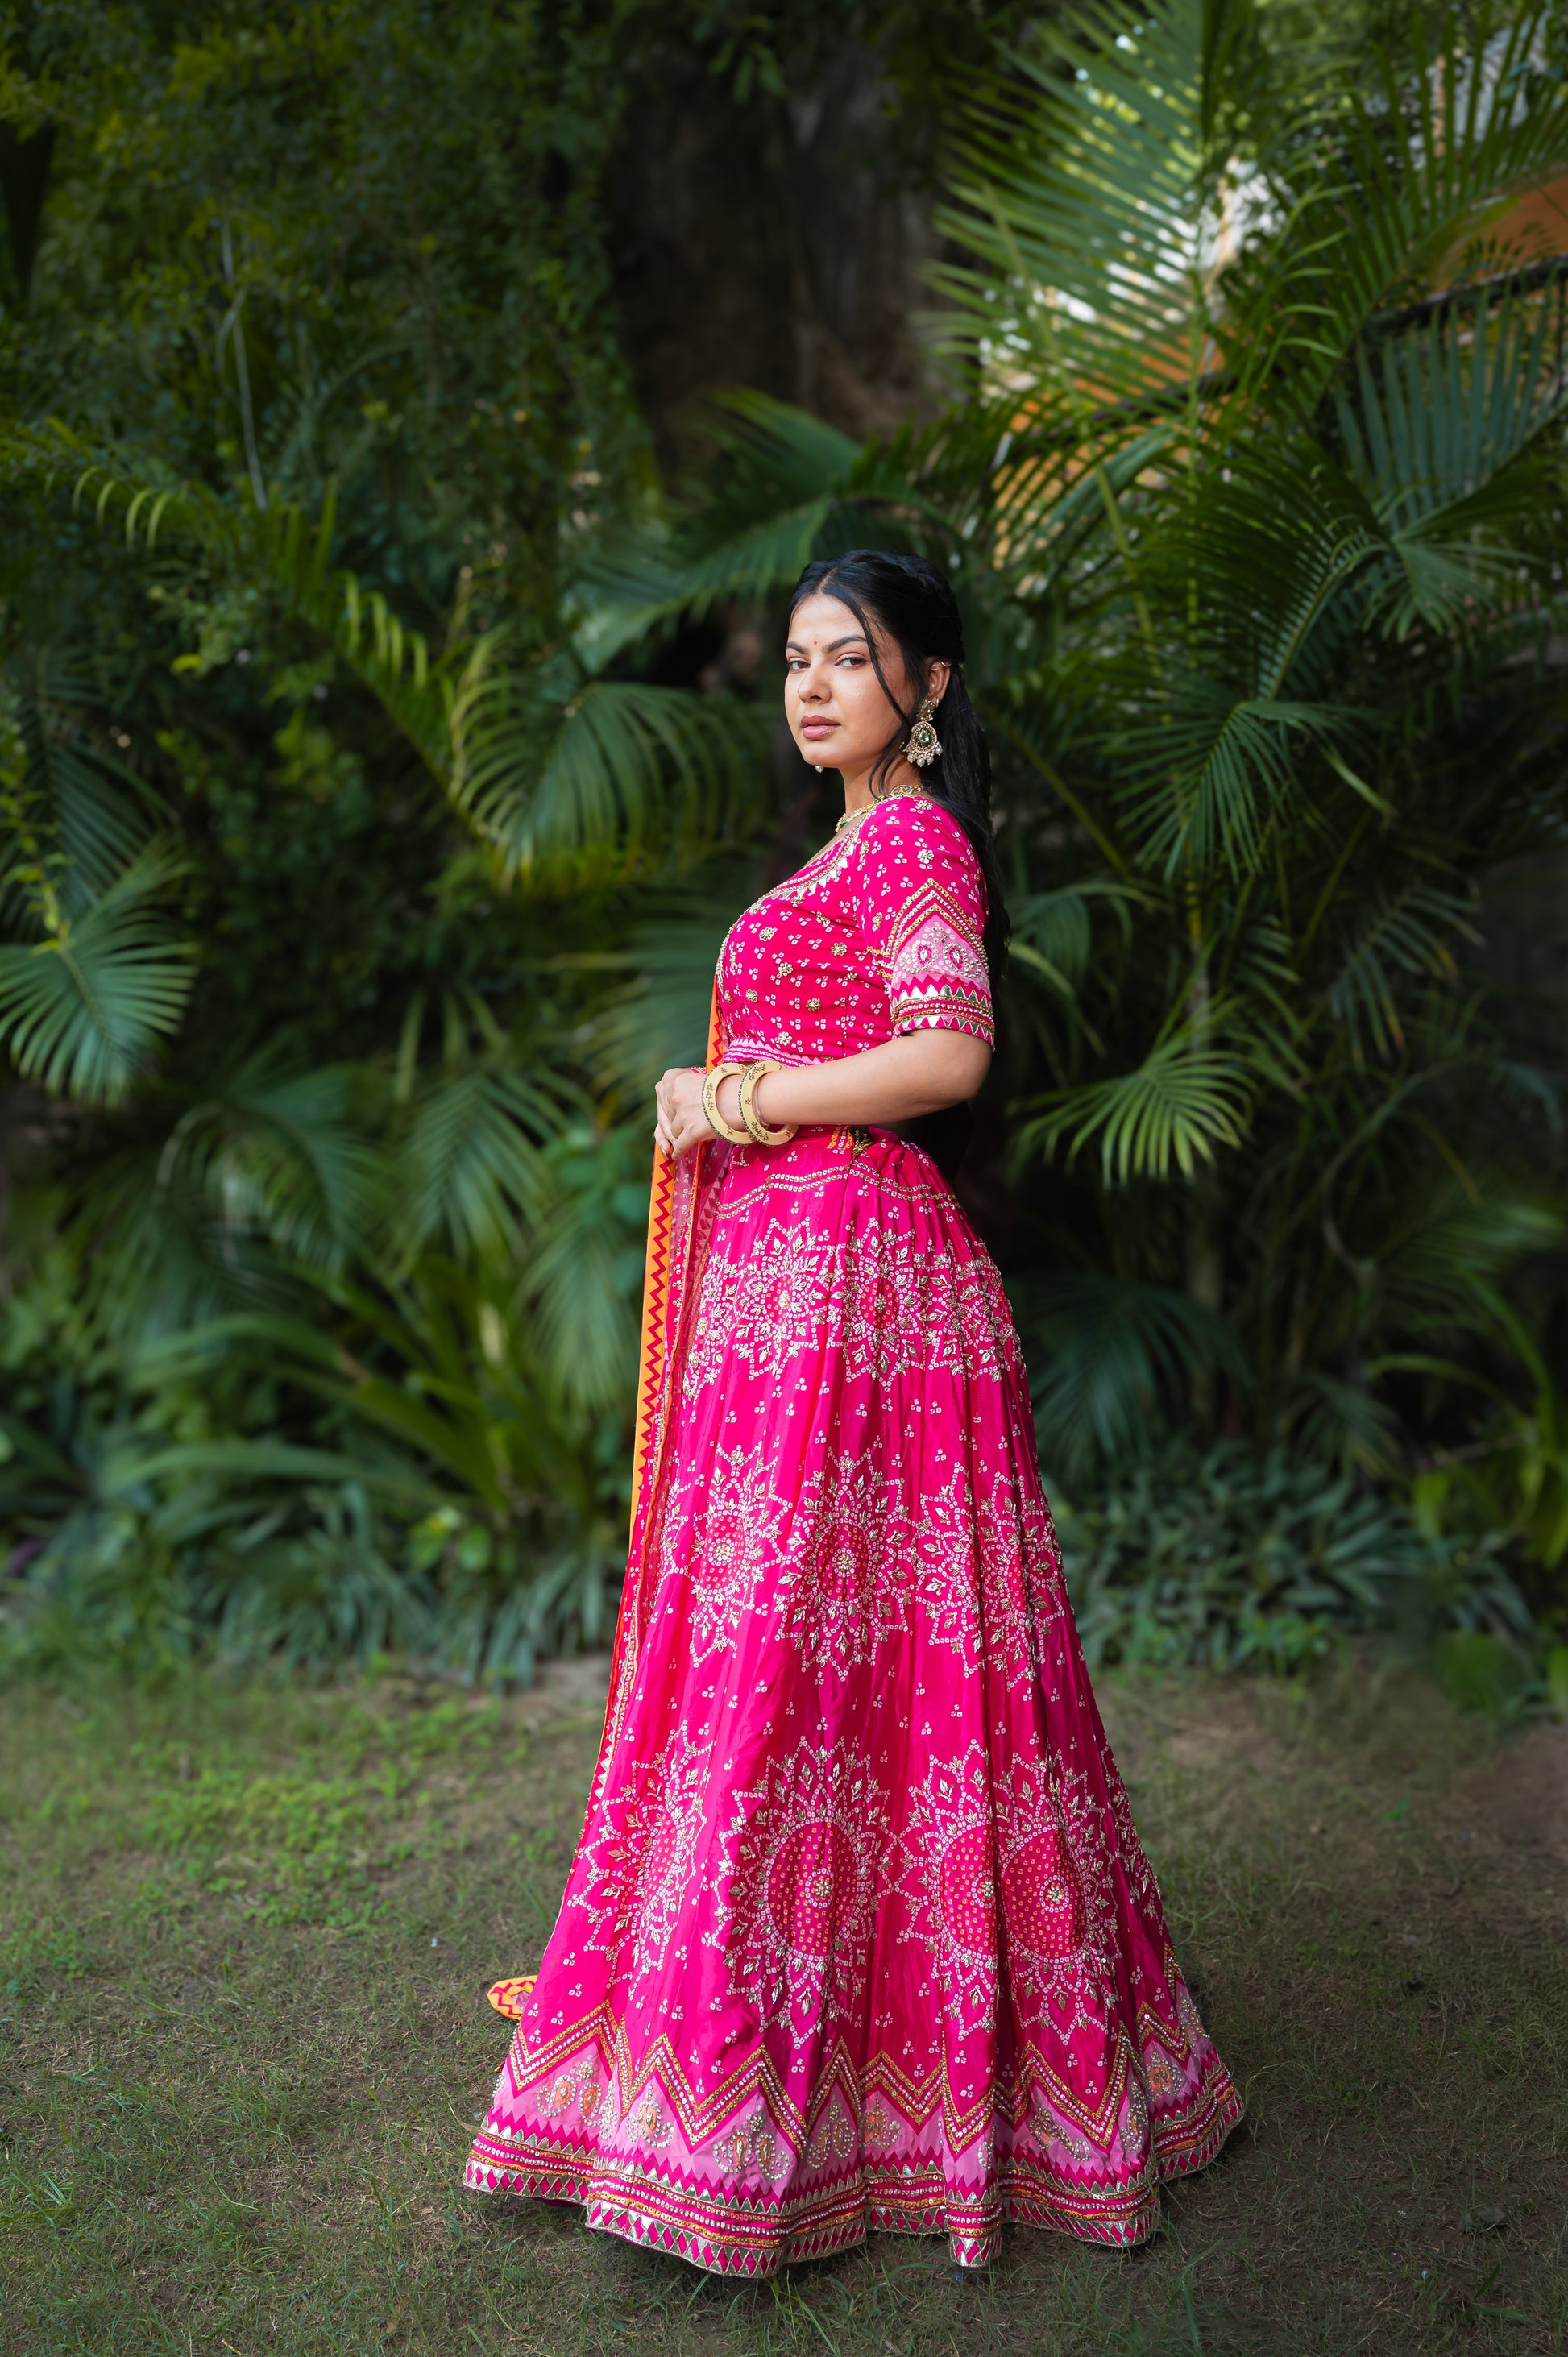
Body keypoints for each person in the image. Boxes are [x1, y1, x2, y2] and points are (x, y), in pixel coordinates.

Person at [465, 550, 1242, 2273]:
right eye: (800, 660)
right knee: (815, 1673)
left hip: (856, 1295)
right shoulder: (840, 846)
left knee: (820, 1678)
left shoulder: (914, 842)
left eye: (854, 659)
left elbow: (944, 1052)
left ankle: (805, 2095)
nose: (813, 686)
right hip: (796, 1294)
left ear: (931, 687)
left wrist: (727, 1091)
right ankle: (758, 2059)